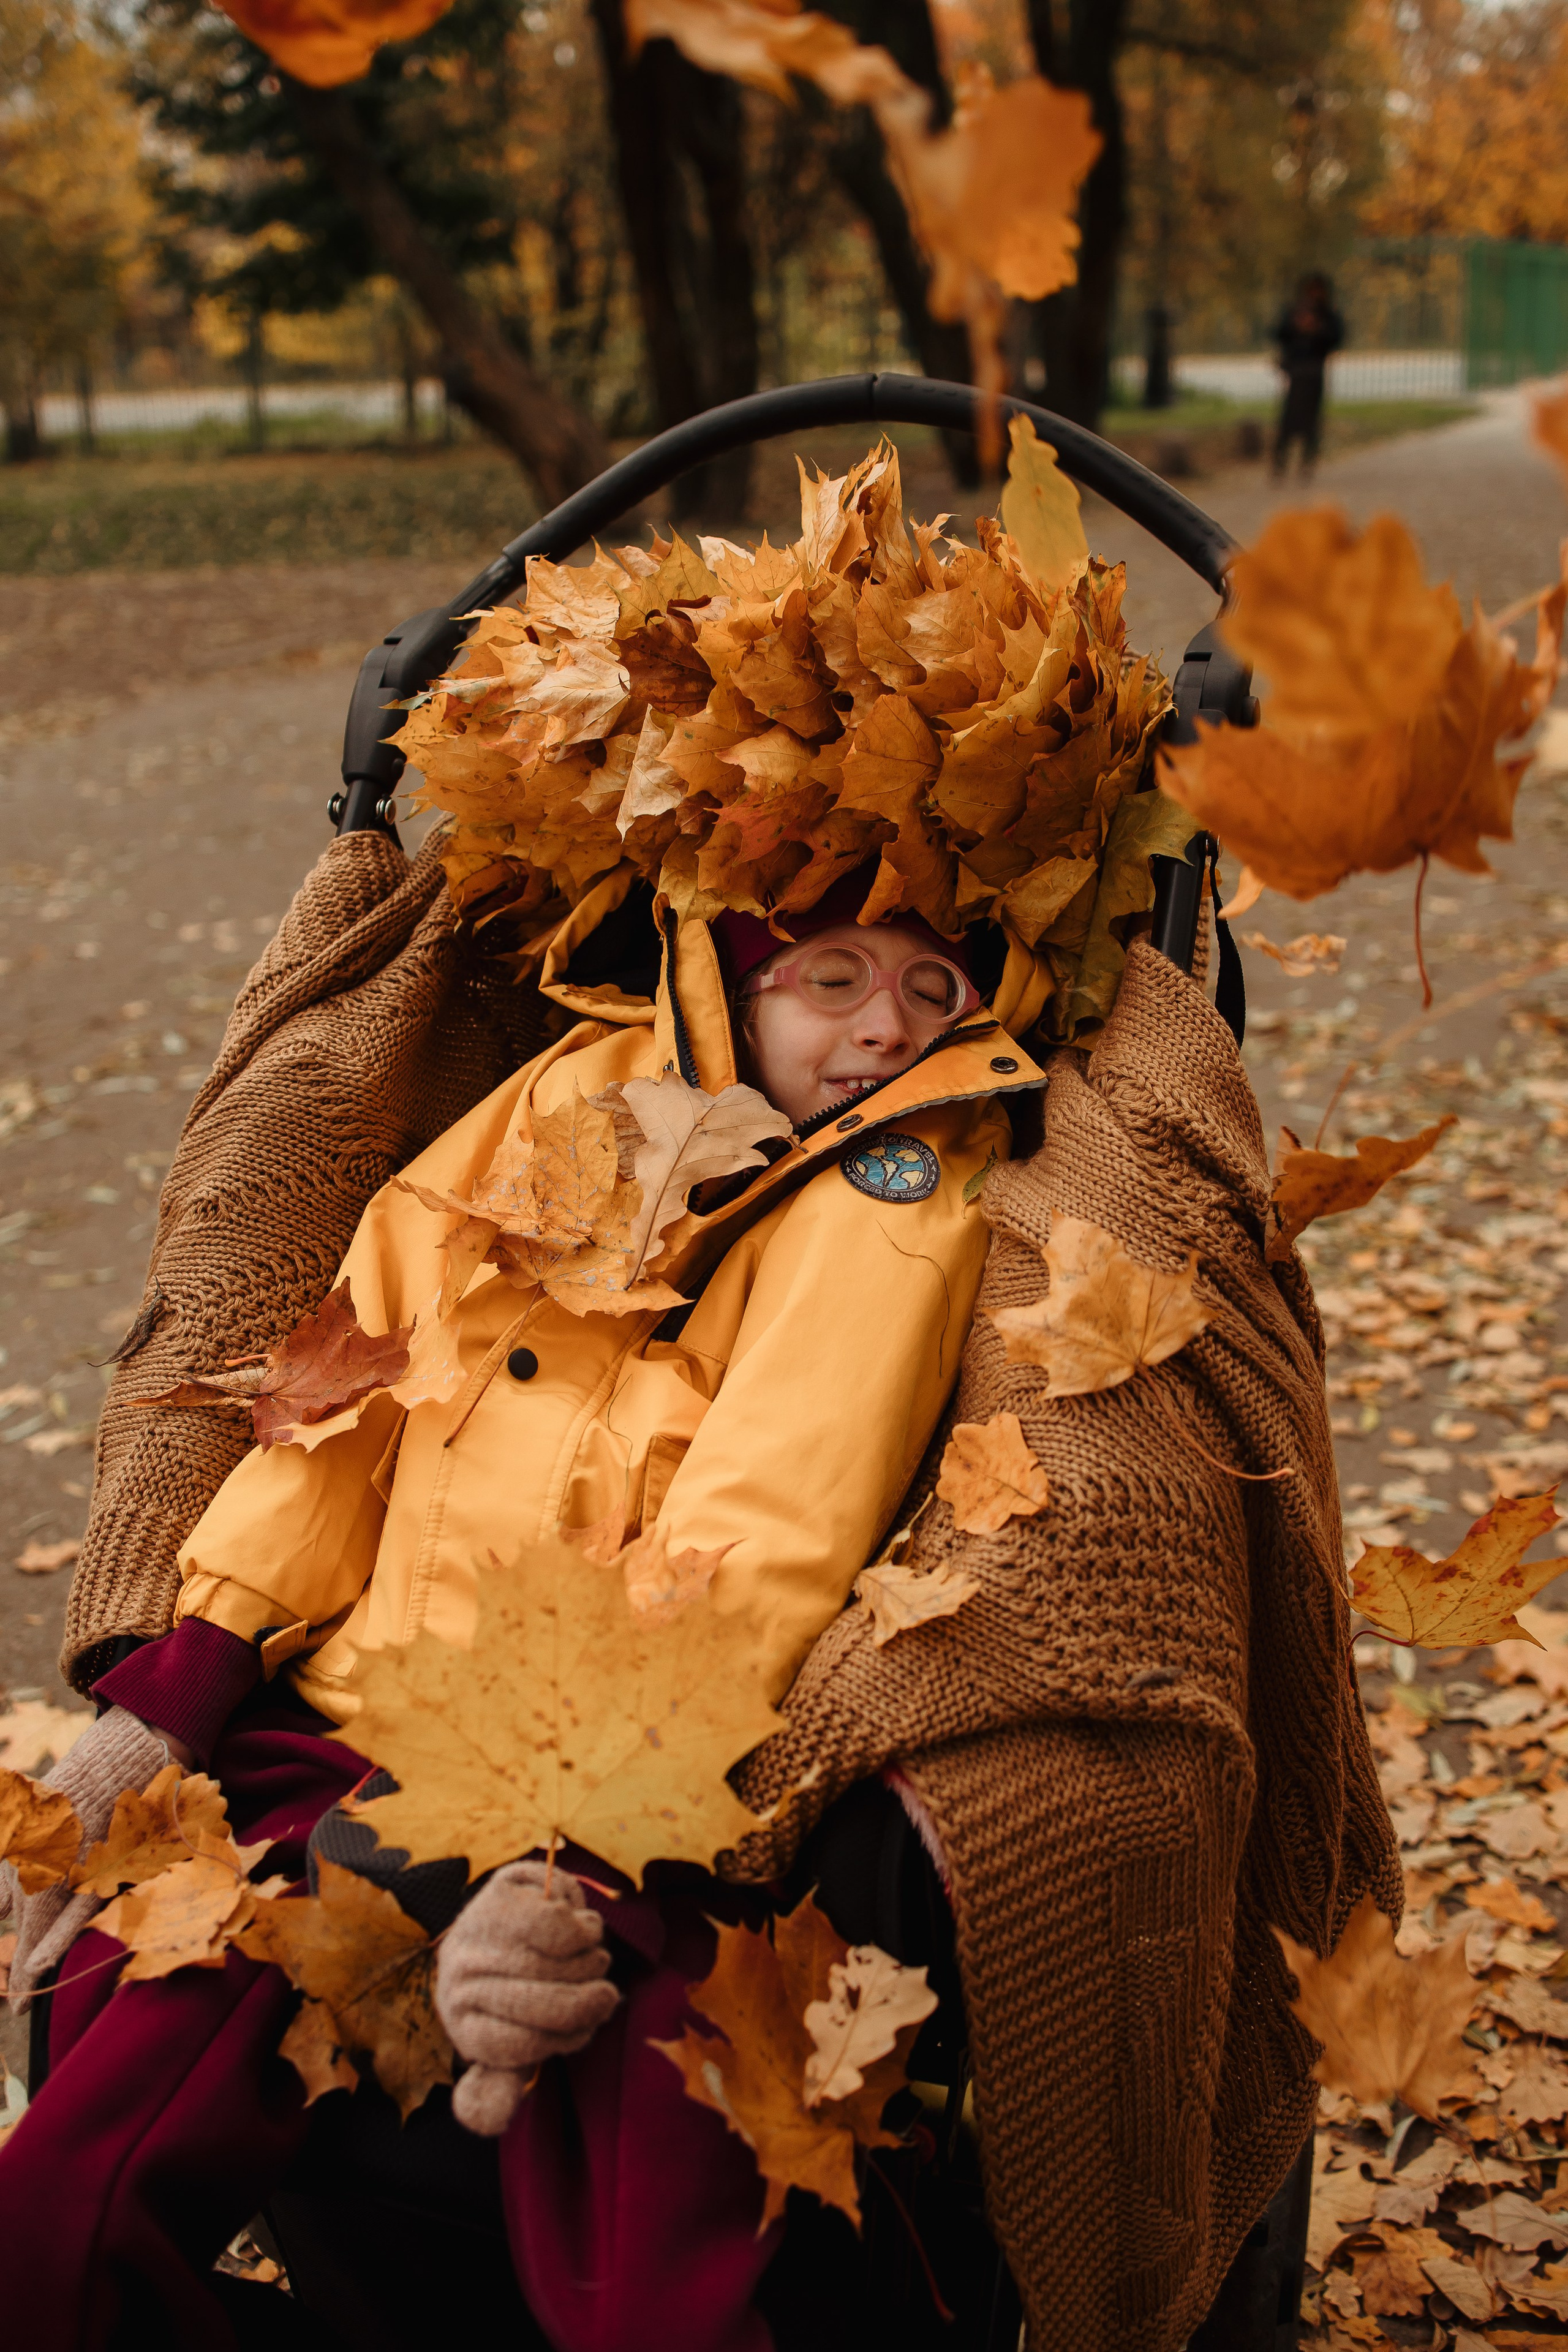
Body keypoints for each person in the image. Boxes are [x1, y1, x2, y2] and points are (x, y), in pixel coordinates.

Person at [0, 866, 1044, 2352]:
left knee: (641, 2149)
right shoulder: (571, 1091)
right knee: (126, 2055)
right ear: (732, 978)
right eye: (834, 977)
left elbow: (766, 1532)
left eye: (932, 991)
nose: (886, 1026)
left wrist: (573, 1841)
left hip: (642, 1760)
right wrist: (186, 1678)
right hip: (359, 1714)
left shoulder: (903, 1181)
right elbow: (359, 1388)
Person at [1271, 271, 1344, 478]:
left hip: (1314, 369)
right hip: (1295, 370)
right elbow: (1280, 333)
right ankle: (1280, 461)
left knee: (1312, 419)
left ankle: (1306, 462)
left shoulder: (1327, 315)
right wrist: (1297, 327)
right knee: (1288, 418)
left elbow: (1336, 337)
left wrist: (1317, 329)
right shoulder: (1294, 311)